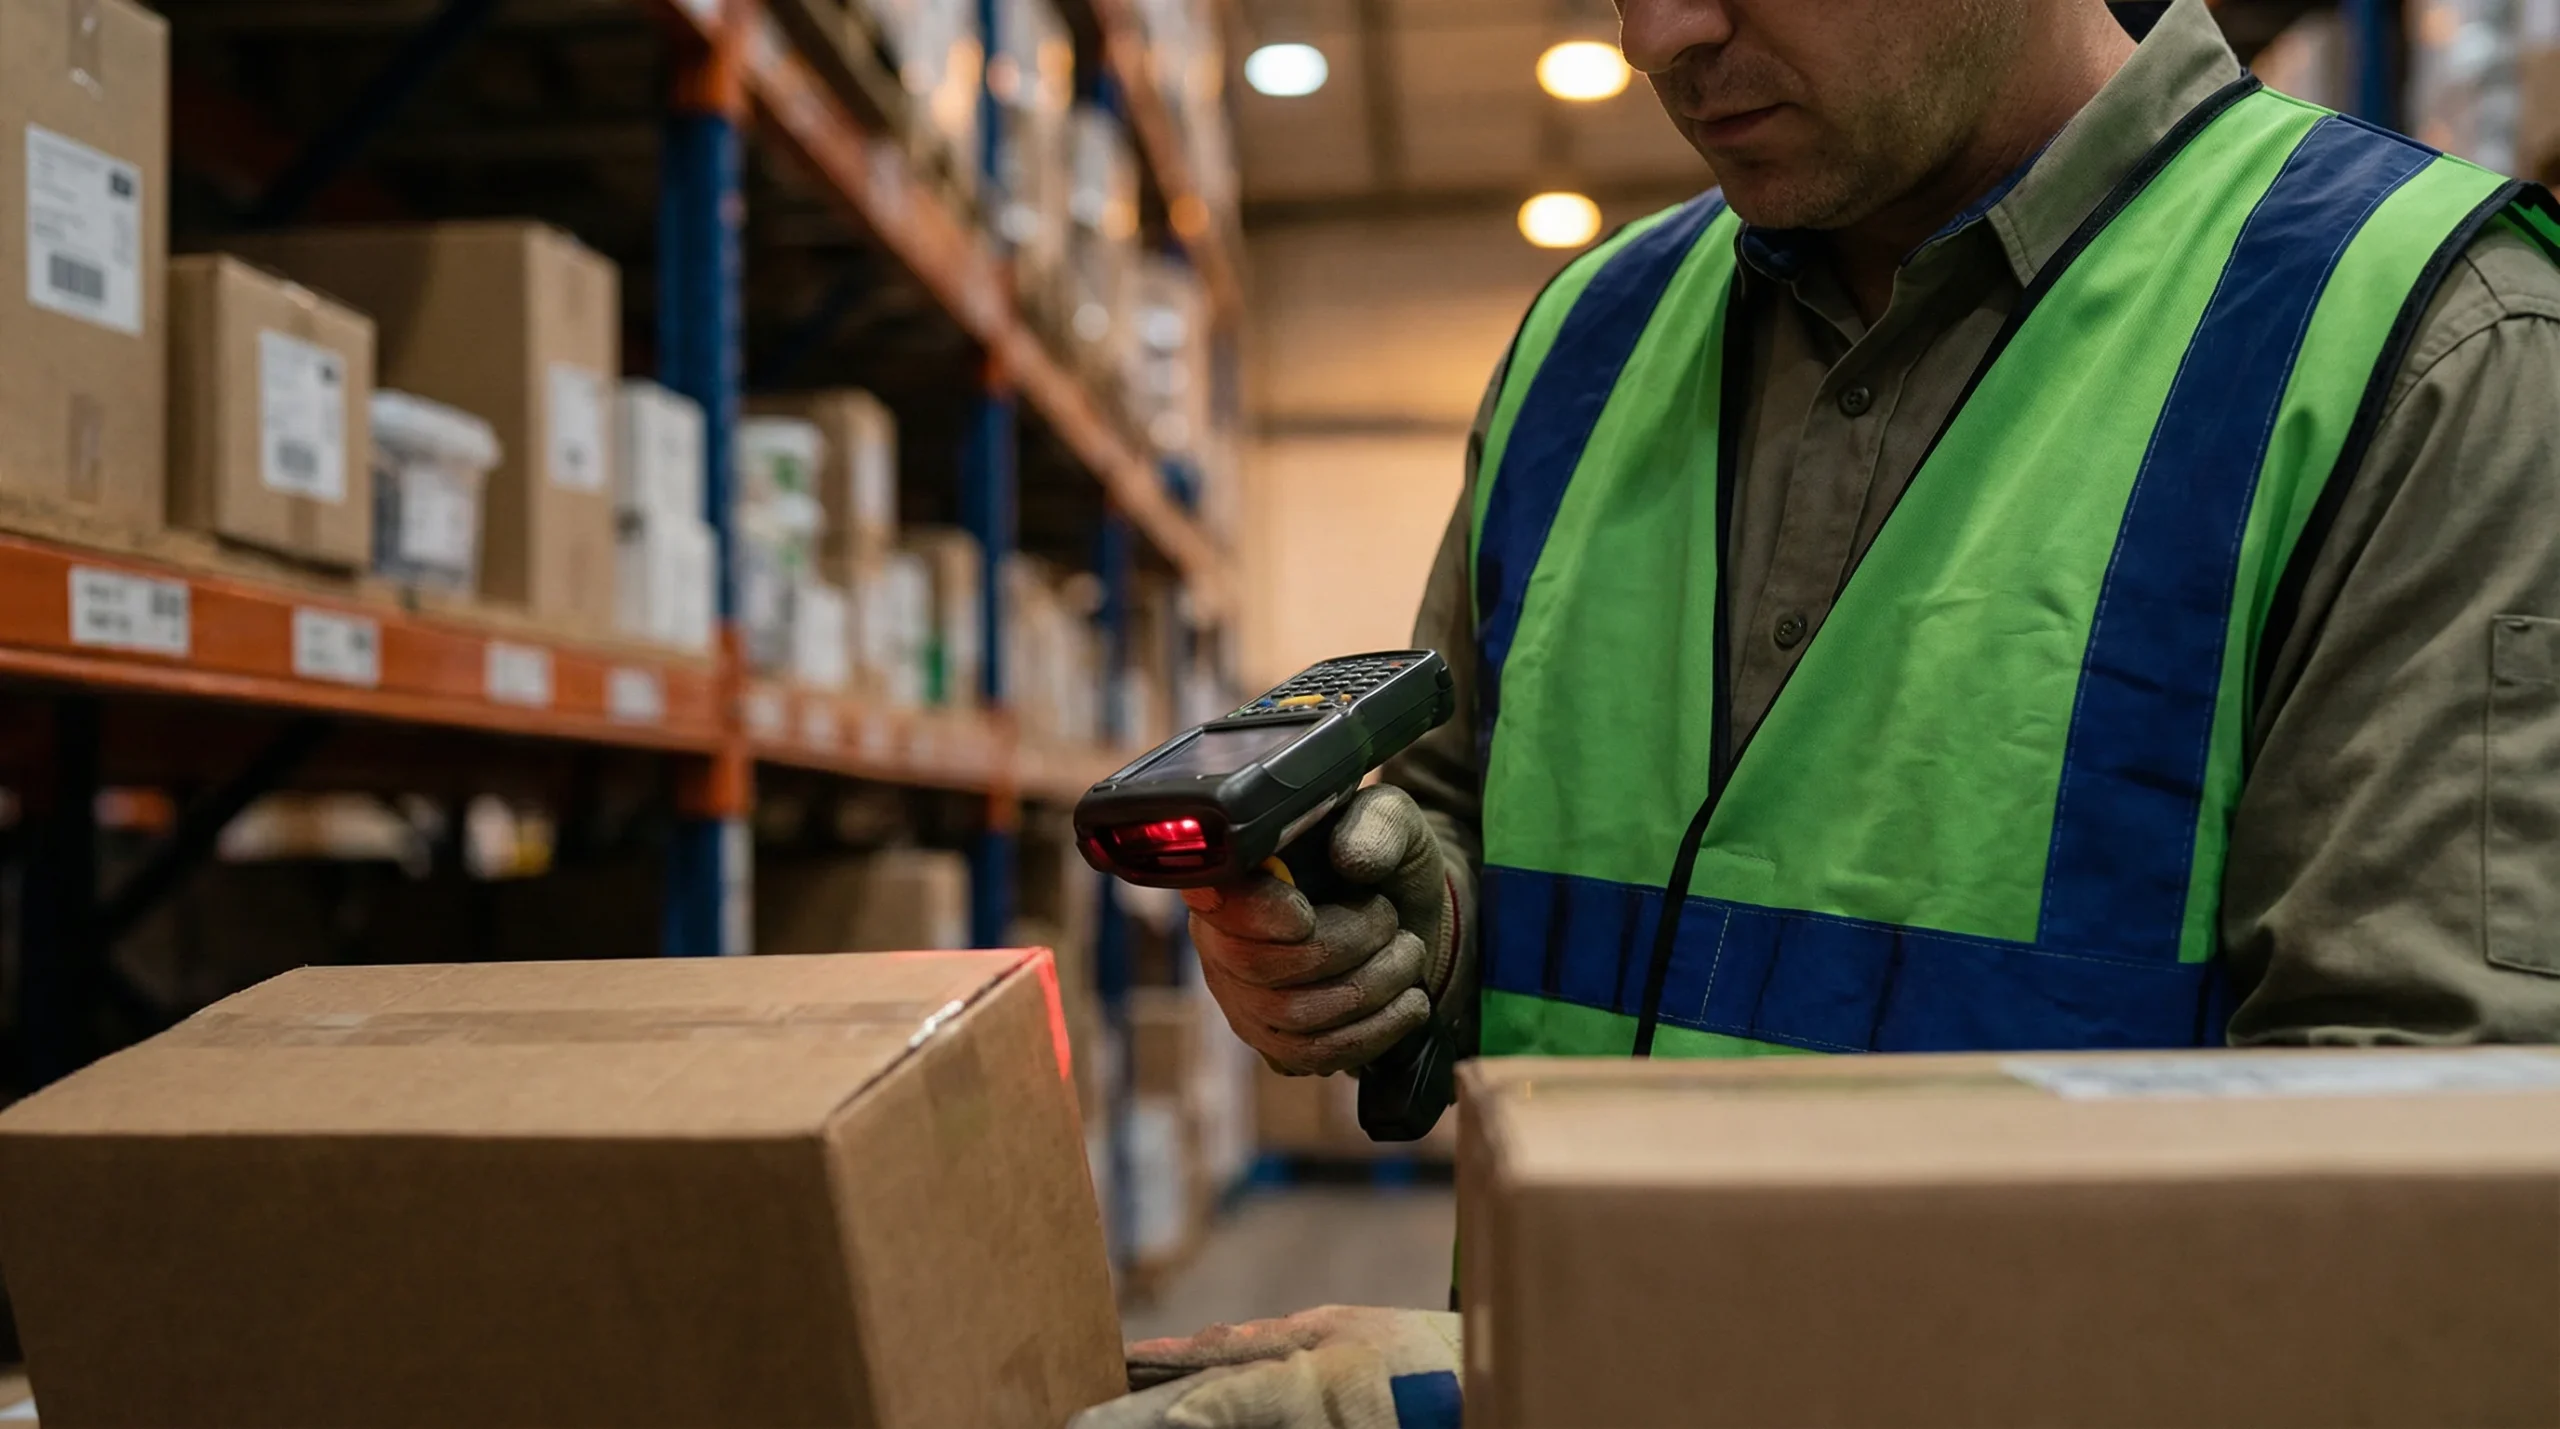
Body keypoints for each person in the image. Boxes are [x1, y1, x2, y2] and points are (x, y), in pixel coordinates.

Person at [1077, 0, 2560, 1423]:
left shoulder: (2423, 344)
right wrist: (1400, 940)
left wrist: (1568, 1378)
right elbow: (1471, 814)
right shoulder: (1589, 340)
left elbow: (2413, 1235)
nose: (1658, 36)